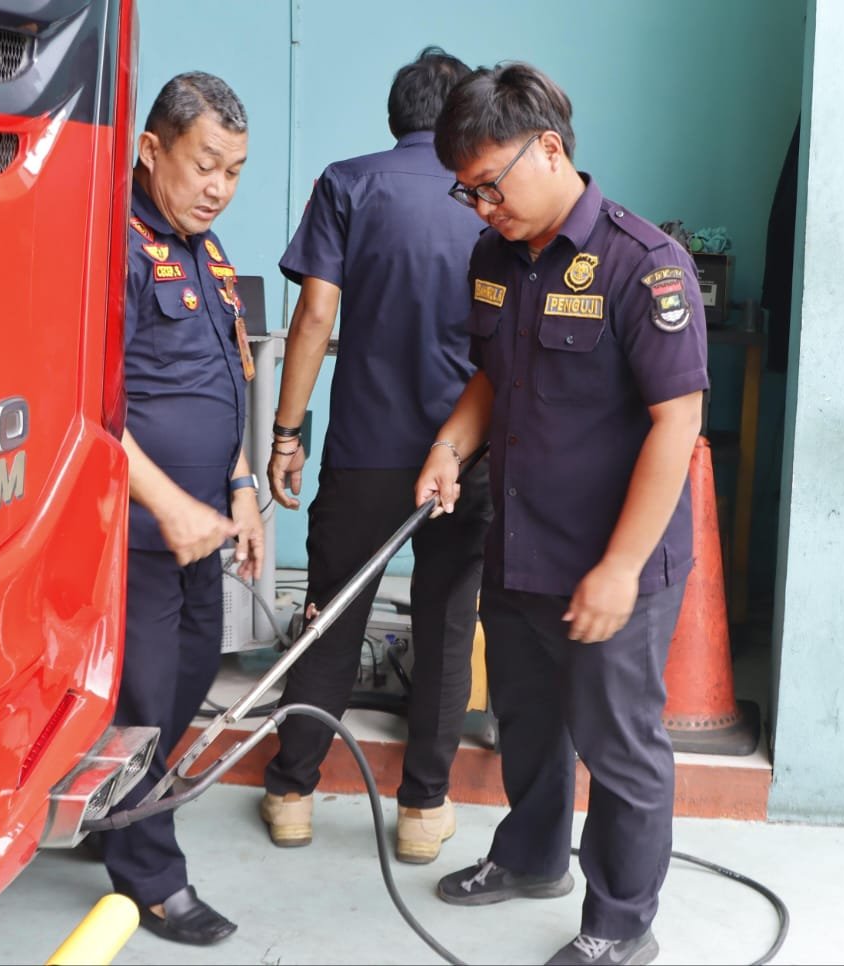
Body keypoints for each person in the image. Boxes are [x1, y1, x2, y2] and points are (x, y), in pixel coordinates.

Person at [414, 62, 707, 966]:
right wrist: (450, 447)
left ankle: (620, 921)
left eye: (491, 185)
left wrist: (620, 568)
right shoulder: (493, 258)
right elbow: (496, 378)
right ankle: (533, 856)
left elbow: (678, 422)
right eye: (467, 193)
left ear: (550, 149)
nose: (482, 206)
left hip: (612, 561)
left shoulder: (643, 264)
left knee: (619, 751)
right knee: (528, 725)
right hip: (521, 544)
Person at [260, 47, 492, 864]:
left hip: (365, 447)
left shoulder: (348, 183)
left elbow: (315, 316)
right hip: (464, 456)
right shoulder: (487, 192)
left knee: (330, 614)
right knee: (445, 621)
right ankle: (423, 812)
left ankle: (292, 792)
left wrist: (287, 434)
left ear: (396, 115)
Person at [104, 71, 262, 947]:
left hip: (203, 528)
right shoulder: (116, 251)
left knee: (191, 679)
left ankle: (118, 811)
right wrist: (167, 504)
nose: (218, 187)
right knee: (147, 702)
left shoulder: (207, 250)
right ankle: (151, 876)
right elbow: (89, 409)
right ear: (151, 149)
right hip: (137, 532)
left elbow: (215, 382)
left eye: (234, 171)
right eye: (205, 164)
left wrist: (238, 486)